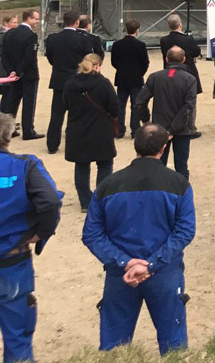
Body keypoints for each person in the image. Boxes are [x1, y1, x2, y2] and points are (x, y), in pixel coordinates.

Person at [82, 124, 194, 355]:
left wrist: (125, 262)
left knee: (115, 348)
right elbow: (185, 231)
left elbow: (92, 234)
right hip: (164, 272)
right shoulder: (179, 184)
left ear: (136, 147)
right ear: (163, 148)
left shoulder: (107, 185)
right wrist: (151, 264)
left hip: (121, 274)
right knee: (174, 347)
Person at [0, 113, 62, 363]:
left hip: (12, 261)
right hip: (12, 261)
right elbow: (50, 202)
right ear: (8, 136)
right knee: (17, 336)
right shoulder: (25, 166)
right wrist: (41, 233)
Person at [63, 53, 119, 211]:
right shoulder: (103, 83)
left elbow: (65, 104)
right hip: (101, 129)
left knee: (81, 165)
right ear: (97, 66)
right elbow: (114, 107)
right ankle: (101, 198)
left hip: (77, 128)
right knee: (105, 164)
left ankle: (85, 201)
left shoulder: (70, 84)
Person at [135, 47, 198, 180]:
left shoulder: (155, 77)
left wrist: (146, 120)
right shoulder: (190, 79)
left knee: (157, 164)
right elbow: (188, 107)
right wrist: (173, 129)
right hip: (182, 128)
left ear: (166, 59)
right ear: (184, 59)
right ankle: (181, 190)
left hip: (160, 127)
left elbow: (140, 101)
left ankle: (157, 189)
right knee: (181, 166)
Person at [44, 10, 93, 153]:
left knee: (56, 115)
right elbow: (88, 59)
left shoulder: (52, 38)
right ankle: (76, 143)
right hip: (77, 80)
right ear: (77, 22)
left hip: (59, 79)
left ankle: (52, 144)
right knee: (78, 114)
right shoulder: (83, 39)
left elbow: (50, 57)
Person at [1, 10, 41, 141]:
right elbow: (29, 57)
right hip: (28, 74)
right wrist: (19, 71)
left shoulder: (10, 33)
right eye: (36, 19)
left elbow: (4, 54)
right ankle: (28, 131)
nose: (37, 21)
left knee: (12, 102)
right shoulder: (31, 35)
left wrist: (11, 71)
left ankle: (9, 130)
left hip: (13, 75)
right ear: (28, 19)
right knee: (29, 103)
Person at [110, 19, 150, 139]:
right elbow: (145, 62)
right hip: (136, 78)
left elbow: (114, 61)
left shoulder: (117, 44)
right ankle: (135, 130)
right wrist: (139, 73)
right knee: (135, 105)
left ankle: (120, 130)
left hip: (122, 77)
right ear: (137, 30)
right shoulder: (140, 45)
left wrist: (121, 69)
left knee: (120, 105)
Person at [157, 14, 202, 95]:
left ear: (168, 25)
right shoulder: (188, 39)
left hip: (170, 72)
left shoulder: (164, 40)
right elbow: (196, 52)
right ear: (180, 24)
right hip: (187, 71)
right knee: (189, 96)